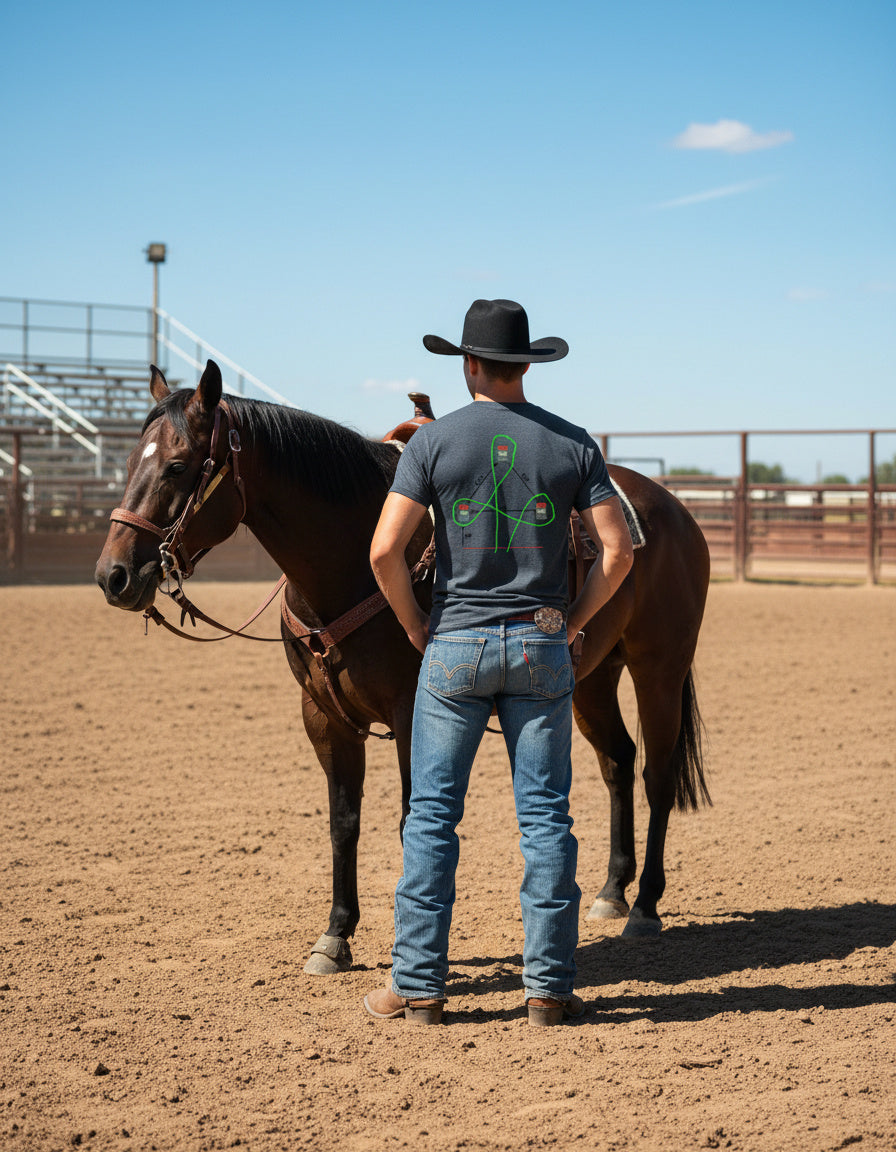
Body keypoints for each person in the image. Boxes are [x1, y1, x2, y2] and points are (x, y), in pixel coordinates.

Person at [364, 299, 634, 1026]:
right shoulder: (573, 443)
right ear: (525, 365)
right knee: (546, 821)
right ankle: (548, 990)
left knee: (431, 818)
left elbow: (385, 552)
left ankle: (418, 987)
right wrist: (572, 622)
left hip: (455, 643)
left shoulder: (432, 443)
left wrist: (416, 624)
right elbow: (618, 552)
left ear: (470, 364)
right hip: (541, 644)